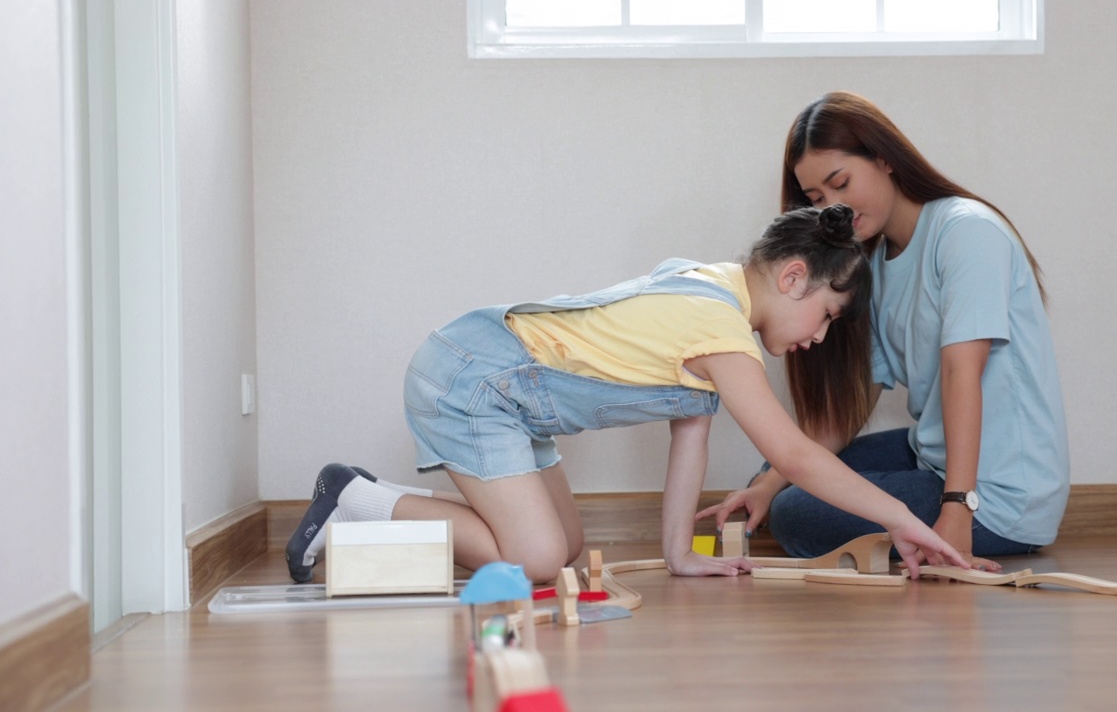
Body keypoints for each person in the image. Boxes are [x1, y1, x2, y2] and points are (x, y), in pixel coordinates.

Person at [285, 205, 969, 585]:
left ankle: (363, 497)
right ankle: (358, 500)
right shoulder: (720, 330)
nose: (819, 338)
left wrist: (678, 554)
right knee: (536, 560)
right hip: (475, 378)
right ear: (793, 278)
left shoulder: (712, 288)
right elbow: (792, 455)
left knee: (567, 546)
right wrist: (904, 520)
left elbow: (690, 438)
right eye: (825, 316)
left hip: (505, 387)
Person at [698, 92, 1070, 571]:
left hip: (1000, 491)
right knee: (796, 475)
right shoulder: (871, 262)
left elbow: (962, 373)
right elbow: (850, 404)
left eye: (841, 183)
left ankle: (957, 513)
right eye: (816, 200)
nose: (834, 207)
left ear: (884, 159)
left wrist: (957, 509)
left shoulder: (967, 232)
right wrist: (768, 482)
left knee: (798, 515)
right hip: (930, 455)